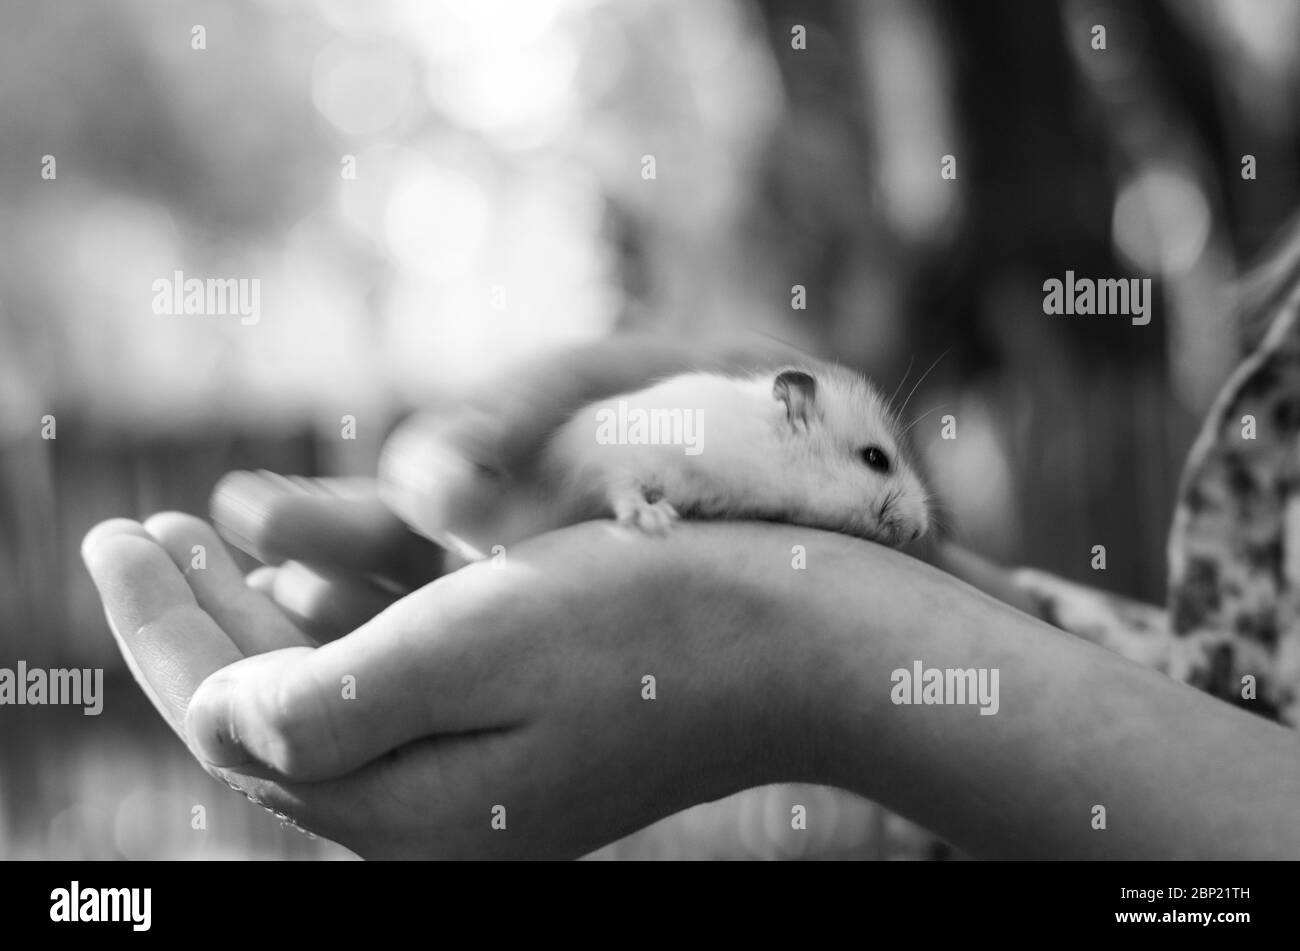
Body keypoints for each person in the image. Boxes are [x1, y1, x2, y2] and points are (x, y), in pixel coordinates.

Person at [80, 336, 1300, 859]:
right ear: (792, 415)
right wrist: (937, 608)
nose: (905, 504)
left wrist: (816, 653)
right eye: (875, 465)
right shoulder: (730, 430)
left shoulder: (780, 453)